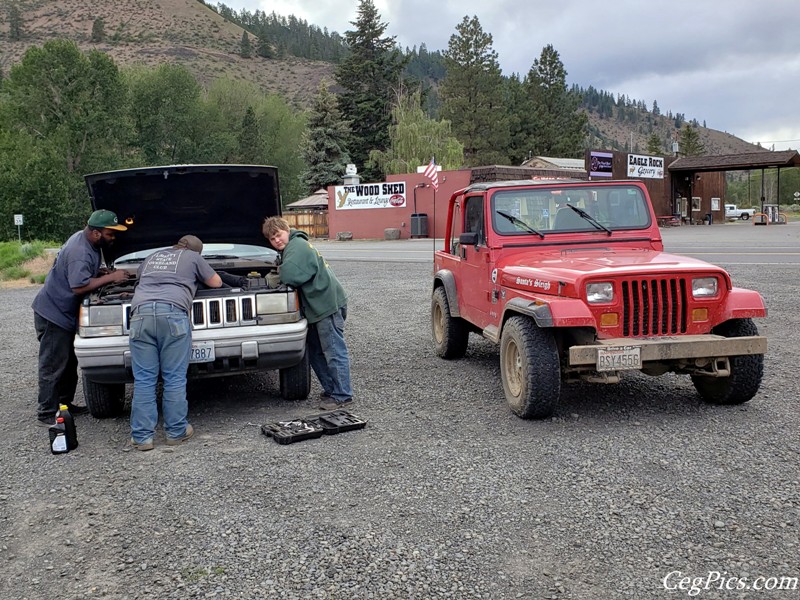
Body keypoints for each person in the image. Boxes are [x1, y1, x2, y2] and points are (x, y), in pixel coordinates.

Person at [32, 209, 129, 427]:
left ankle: (64, 404)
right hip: (53, 315)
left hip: (62, 314)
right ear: (96, 233)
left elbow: (79, 275)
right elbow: (78, 286)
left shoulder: (88, 242)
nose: (113, 237)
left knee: (68, 363)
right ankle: (46, 413)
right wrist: (112, 277)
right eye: (110, 233)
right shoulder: (80, 251)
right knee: (53, 365)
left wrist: (100, 273)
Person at [128, 235, 222, 451]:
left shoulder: (152, 256)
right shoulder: (193, 257)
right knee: (174, 378)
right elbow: (216, 282)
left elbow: (138, 279)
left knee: (143, 379)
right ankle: (176, 432)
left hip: (140, 316)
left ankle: (142, 438)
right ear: (195, 251)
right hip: (172, 315)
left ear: (176, 245)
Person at [262, 217, 353, 410]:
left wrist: (277, 275)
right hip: (316, 308)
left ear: (287, 230)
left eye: (278, 235)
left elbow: (291, 275)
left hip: (327, 305)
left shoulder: (297, 246)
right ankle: (332, 389)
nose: (277, 240)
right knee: (314, 350)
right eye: (272, 239)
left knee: (334, 350)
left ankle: (342, 395)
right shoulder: (291, 248)